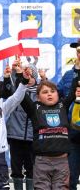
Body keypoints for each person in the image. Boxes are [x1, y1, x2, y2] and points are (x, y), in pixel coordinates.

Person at [19, 74, 80, 189]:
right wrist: (19, 75)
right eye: (45, 92)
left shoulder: (62, 105)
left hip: (62, 161)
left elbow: (73, 89)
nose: (49, 94)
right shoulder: (34, 108)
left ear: (58, 94)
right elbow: (20, 95)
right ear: (38, 97)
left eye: (52, 91)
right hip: (42, 161)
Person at [6, 59, 40, 190]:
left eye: (32, 75)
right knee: (16, 168)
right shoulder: (17, 90)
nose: (29, 78)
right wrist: (15, 71)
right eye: (27, 75)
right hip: (15, 135)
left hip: (32, 137)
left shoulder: (40, 93)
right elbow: (12, 83)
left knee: (31, 168)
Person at [57, 39, 80, 190]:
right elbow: (56, 98)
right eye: (78, 51)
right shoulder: (67, 75)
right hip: (73, 135)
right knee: (70, 179)